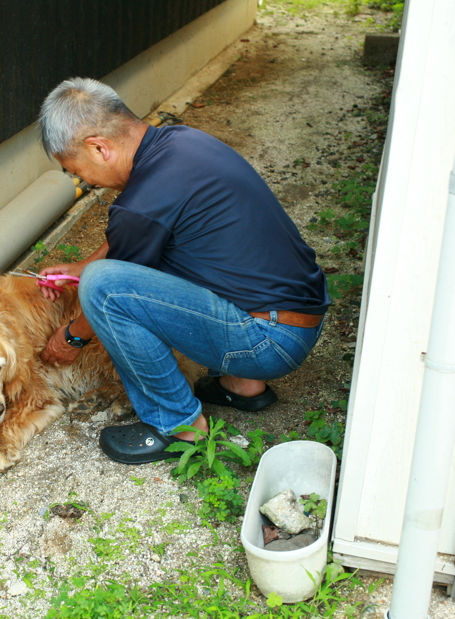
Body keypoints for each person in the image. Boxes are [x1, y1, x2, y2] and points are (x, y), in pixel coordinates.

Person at [35, 77, 329, 464]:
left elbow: (119, 265)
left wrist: (70, 338)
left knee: (102, 286)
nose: (83, 182)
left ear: (98, 147)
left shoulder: (140, 203)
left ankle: (177, 426)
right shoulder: (180, 143)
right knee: (99, 274)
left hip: (267, 340)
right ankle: (242, 386)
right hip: (300, 320)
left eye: (76, 171)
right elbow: (137, 230)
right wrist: (81, 265)